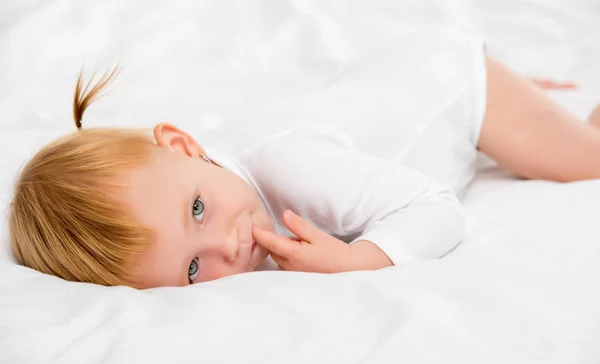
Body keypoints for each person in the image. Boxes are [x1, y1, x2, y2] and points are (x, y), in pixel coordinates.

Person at [8, 30, 600, 289]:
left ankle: (531, 95)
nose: (229, 247)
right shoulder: (194, 173)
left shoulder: (290, 166)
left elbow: (432, 204)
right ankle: (534, 95)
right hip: (387, 77)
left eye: (197, 210)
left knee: (586, 159)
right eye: (193, 269)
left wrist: (364, 259)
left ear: (184, 144)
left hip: (455, 87)